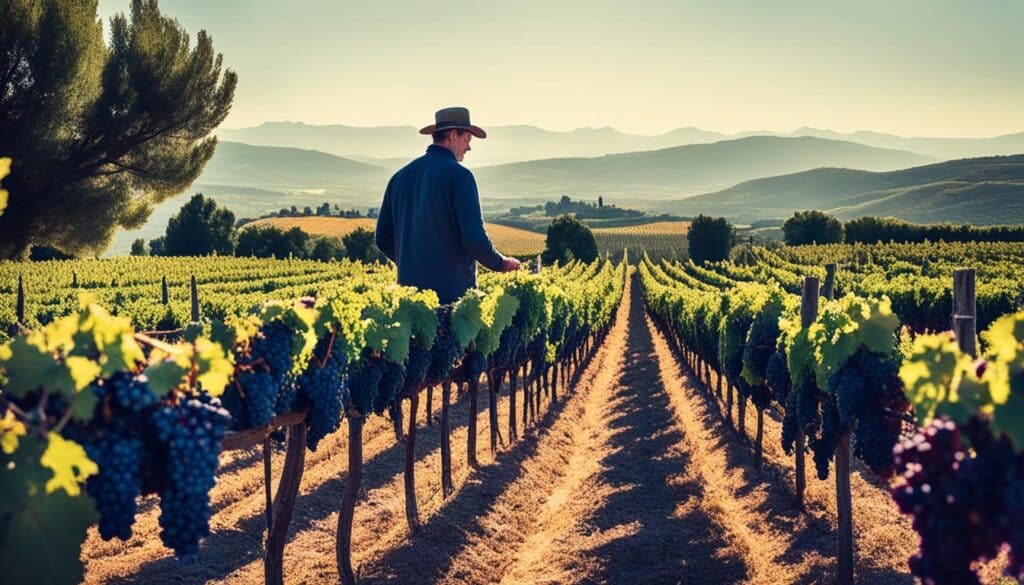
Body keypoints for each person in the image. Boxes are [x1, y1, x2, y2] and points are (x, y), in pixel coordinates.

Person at [375, 107, 521, 304]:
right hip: (452, 301)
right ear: (453, 135)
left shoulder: (399, 177)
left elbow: (383, 238)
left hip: (408, 302)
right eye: (467, 139)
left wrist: (412, 264)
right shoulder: (460, 177)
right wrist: (501, 264)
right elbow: (474, 239)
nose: (468, 147)